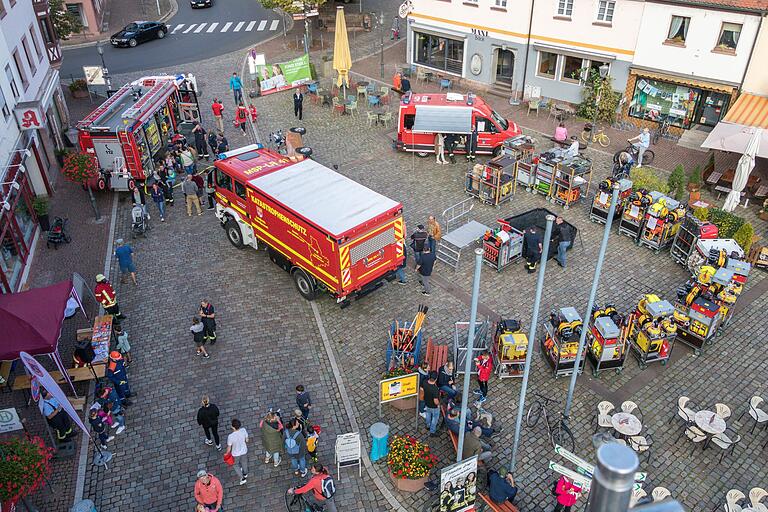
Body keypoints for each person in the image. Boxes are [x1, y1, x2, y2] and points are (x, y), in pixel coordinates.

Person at [226, 418, 249, 485]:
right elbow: (247, 440)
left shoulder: (230, 436)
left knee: (235, 465)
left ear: (233, 427)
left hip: (235, 453)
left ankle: (242, 478)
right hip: (244, 451)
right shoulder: (243, 430)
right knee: (244, 462)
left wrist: (226, 453)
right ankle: (245, 473)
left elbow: (229, 447)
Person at [420, 372, 440, 436]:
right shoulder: (435, 389)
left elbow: (421, 389)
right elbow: (435, 401)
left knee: (428, 415)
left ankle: (428, 425)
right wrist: (439, 404)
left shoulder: (424, 382)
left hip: (427, 403)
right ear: (436, 379)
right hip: (434, 407)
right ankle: (432, 431)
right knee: (434, 419)